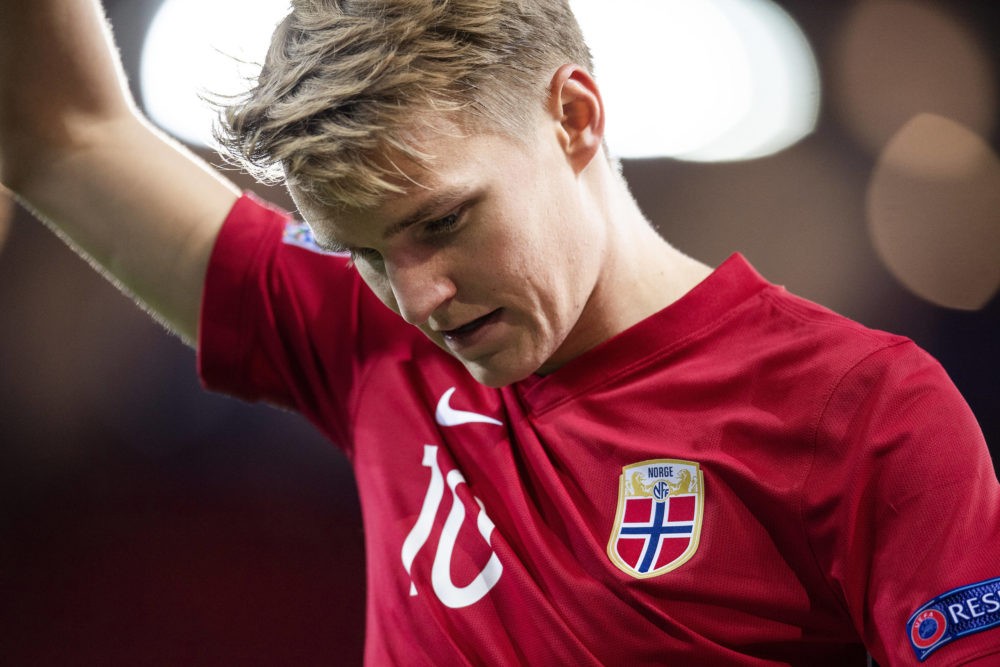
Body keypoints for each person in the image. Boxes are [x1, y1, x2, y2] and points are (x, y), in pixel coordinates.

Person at [2, 0, 998, 664]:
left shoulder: (863, 409)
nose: (421, 297)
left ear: (573, 115)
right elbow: (58, 129)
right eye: (363, 253)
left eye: (444, 222)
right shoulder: (365, 337)